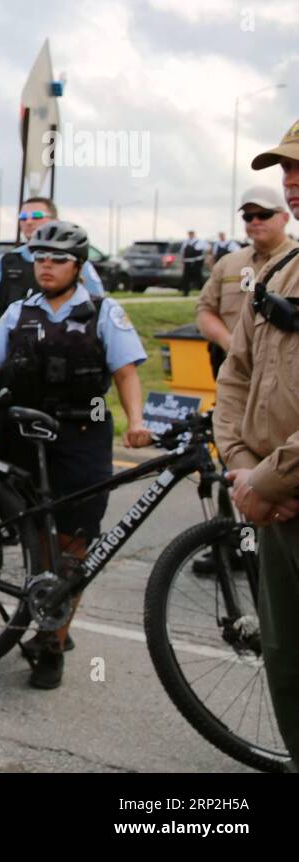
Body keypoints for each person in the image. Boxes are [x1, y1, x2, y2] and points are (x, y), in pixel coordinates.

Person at [0, 221, 152, 689]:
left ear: (78, 266)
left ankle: (51, 640)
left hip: (83, 435)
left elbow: (127, 374)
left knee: (74, 542)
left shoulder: (103, 311)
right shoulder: (18, 313)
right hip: (26, 436)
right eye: (40, 259)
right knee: (36, 535)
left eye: (57, 259)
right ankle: (46, 614)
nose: (46, 266)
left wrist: (135, 422)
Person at [213, 118, 299, 768]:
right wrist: (245, 473)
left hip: (283, 494)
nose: (291, 183)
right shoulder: (281, 271)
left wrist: (270, 481)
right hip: (274, 512)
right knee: (287, 664)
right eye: (287, 170)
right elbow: (236, 375)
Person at [0, 195, 105, 345]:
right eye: (23, 217)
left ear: (55, 220)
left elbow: (97, 311)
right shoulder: (5, 262)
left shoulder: (74, 262)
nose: (29, 222)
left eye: (36, 216)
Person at [197, 186, 296, 378]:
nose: (255, 221)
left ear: (285, 218)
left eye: (264, 214)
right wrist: (229, 343)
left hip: (285, 376)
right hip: (234, 373)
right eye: (248, 217)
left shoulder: (296, 262)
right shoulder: (228, 263)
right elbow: (205, 310)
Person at [182, 229, 208, 295]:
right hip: (187, 261)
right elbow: (183, 252)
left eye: (191, 234)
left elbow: (207, 249)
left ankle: (203, 291)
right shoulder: (185, 242)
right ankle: (186, 292)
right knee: (186, 277)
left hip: (197, 261)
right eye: (189, 234)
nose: (190, 235)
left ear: (194, 234)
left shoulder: (200, 241)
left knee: (198, 277)